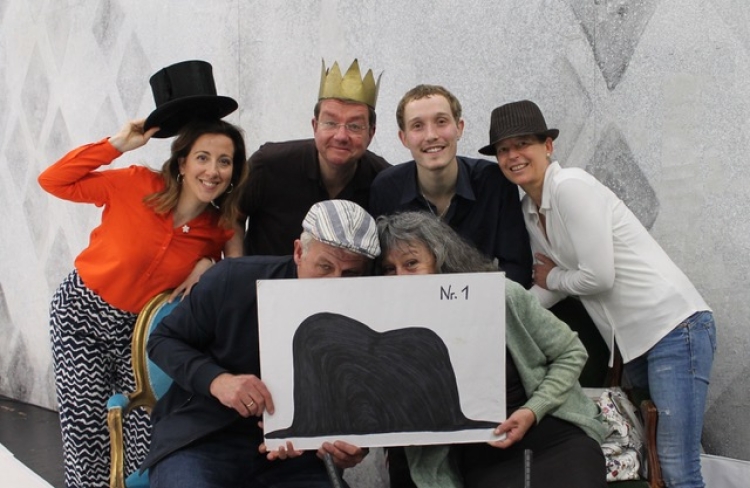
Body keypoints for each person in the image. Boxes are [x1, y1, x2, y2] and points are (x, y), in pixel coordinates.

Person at [480, 99, 716, 488]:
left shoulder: (570, 187)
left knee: (678, 466)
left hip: (674, 329)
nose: (513, 155)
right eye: (504, 149)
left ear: (548, 146)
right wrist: (498, 323)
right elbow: (548, 289)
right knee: (654, 464)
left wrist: (555, 277)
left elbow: (598, 277)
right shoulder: (529, 211)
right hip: (633, 344)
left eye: (523, 144)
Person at [38, 60, 247, 488]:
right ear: (182, 162)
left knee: (143, 438)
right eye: (202, 158)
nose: (212, 171)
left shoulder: (219, 227)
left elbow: (236, 280)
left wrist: (208, 264)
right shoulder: (136, 184)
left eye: (224, 162)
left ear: (233, 173)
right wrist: (117, 143)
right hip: (82, 315)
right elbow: (53, 181)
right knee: (87, 431)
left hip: (142, 332)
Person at [143, 200, 377, 488]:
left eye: (350, 273)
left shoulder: (370, 308)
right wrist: (218, 381)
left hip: (299, 458)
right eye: (325, 266)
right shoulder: (233, 279)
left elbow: (368, 397)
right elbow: (162, 340)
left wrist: (354, 447)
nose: (334, 282)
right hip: (203, 438)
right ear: (299, 251)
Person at [376, 211, 606, 488]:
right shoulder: (384, 333)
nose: (400, 277)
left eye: (411, 263)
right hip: (482, 456)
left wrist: (532, 410)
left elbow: (571, 352)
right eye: (389, 269)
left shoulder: (501, 296)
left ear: (439, 258)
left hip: (551, 434)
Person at [369, 84, 531, 287]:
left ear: (459, 128)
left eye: (441, 122)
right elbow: (378, 268)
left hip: (480, 301)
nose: (431, 135)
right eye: (417, 126)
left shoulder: (494, 182)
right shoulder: (386, 189)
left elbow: (517, 268)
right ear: (404, 138)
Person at [238, 58, 390, 256]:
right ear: (315, 126)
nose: (341, 136)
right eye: (330, 123)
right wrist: (237, 267)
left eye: (354, 126)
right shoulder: (268, 165)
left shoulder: (385, 182)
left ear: (371, 133)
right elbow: (231, 216)